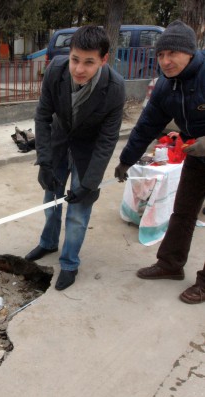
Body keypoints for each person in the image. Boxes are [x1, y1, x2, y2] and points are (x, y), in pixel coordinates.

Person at [25, 26, 125, 291]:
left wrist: (89, 183)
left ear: (104, 60)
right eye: (75, 59)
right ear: (69, 55)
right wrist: (44, 161)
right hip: (58, 143)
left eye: (89, 62)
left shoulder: (115, 89)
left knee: (79, 211)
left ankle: (69, 262)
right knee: (51, 199)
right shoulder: (56, 71)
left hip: (88, 151)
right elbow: (43, 117)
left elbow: (107, 140)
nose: (79, 69)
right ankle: (48, 243)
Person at [115, 20, 205, 304]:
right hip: (197, 156)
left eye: (172, 54)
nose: (165, 62)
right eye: (161, 55)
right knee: (183, 212)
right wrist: (126, 161)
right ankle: (170, 264)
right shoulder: (167, 86)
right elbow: (145, 126)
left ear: (190, 52)